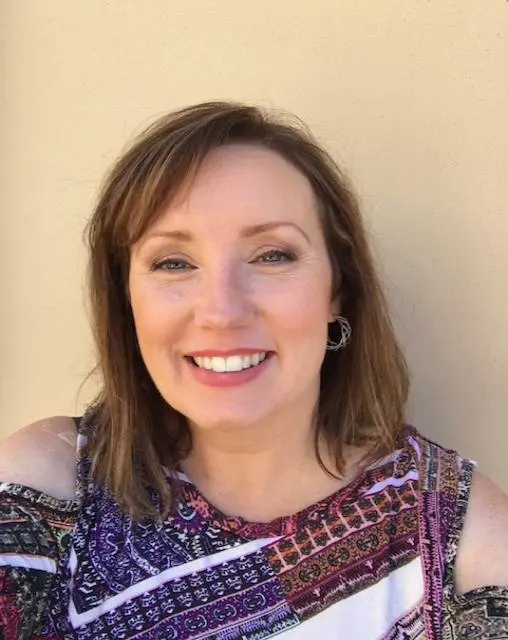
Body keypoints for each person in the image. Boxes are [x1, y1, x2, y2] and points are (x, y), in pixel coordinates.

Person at [0, 102, 507, 640]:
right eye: (174, 262)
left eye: (272, 256)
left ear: (339, 290)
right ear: (127, 300)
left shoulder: (463, 540)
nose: (221, 311)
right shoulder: (47, 488)